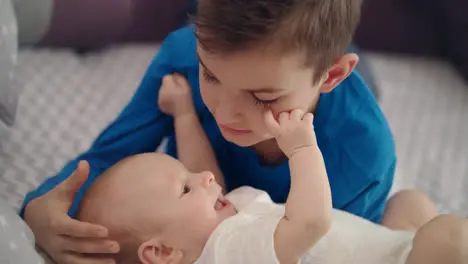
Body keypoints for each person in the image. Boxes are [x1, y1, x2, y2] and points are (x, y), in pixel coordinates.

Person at [21, 0, 403, 263]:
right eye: (211, 75)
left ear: (332, 75)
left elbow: (342, 247)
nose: (225, 112)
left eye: (262, 96)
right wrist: (39, 211)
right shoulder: (185, 55)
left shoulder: (363, 156)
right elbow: (109, 158)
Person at [74, 77, 467, 263]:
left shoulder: (218, 224)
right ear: (160, 251)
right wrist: (301, 149)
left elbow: (204, 170)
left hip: (386, 247)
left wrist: (183, 115)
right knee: (449, 237)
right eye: (185, 190)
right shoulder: (228, 252)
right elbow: (311, 223)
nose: (205, 178)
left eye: (188, 175)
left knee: (411, 203)